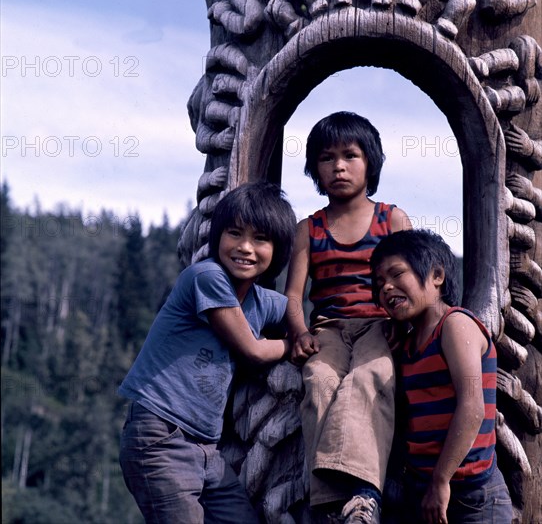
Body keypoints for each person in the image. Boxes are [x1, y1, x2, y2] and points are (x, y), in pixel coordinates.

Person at [118, 181, 297, 524]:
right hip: (160, 438)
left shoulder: (262, 301)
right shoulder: (206, 277)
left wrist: (309, 332)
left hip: (205, 451)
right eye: (234, 234)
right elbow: (254, 351)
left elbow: (294, 311)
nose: (245, 248)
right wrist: (292, 346)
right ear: (217, 238)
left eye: (261, 239)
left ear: (278, 249)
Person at [285, 111, 411, 523]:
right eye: (327, 158)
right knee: (319, 380)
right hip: (330, 327)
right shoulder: (309, 228)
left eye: (350, 156)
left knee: (368, 377)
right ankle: (328, 503)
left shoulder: (391, 218)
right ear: (314, 169)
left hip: (380, 324)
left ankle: (362, 495)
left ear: (370, 162)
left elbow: (410, 280)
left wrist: (403, 325)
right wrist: (300, 331)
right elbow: (293, 294)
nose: (338, 166)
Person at [370, 229, 513, 524]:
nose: (386, 288)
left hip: (471, 496)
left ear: (437, 275)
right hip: (424, 491)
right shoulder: (408, 343)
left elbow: (473, 408)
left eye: (397, 274)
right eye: (379, 282)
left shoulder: (455, 325)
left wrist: (440, 481)